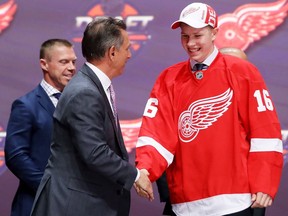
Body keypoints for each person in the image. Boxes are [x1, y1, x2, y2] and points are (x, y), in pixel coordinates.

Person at [135, 2, 283, 216]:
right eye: (185, 36)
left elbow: (265, 130)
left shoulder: (242, 72)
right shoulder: (169, 78)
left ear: (215, 33)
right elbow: (156, 133)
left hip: (234, 203)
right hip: (184, 205)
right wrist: (145, 170)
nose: (190, 43)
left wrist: (264, 181)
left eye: (197, 35)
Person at [30, 17, 153, 216]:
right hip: (73, 205)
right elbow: (94, 152)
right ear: (112, 52)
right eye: (127, 48)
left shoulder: (90, 86)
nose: (129, 55)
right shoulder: (85, 92)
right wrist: (136, 175)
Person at [4, 39, 77, 216]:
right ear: (44, 64)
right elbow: (16, 156)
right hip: (37, 205)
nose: (72, 67)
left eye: (73, 62)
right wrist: (49, 188)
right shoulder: (25, 105)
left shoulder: (78, 103)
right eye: (64, 62)